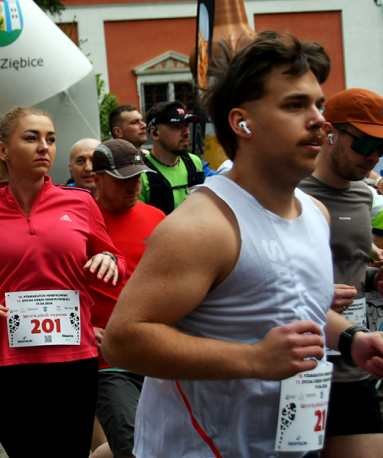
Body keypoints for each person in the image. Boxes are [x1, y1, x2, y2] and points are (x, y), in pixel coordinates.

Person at [103, 31, 383, 457]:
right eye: (295, 105)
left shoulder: (315, 213)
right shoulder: (203, 225)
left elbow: (292, 306)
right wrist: (254, 360)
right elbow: (124, 340)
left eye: (318, 105)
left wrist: (351, 340)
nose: (319, 120)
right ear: (242, 122)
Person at [0, 106, 125, 457]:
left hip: (73, 359)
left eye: (50, 139)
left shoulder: (80, 203)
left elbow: (116, 259)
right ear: (3, 150)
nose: (44, 147)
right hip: (8, 364)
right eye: (31, 138)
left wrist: (108, 260)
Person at [297, 88, 383, 457]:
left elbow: (352, 266)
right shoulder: (293, 192)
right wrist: (316, 296)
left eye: (382, 146)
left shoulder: (365, 195)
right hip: (302, 368)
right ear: (330, 132)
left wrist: (374, 279)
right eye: (363, 143)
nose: (373, 157)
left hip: (354, 364)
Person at [88, 139, 165, 458]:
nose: (134, 185)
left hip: (158, 354)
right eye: (123, 179)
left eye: (138, 176)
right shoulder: (78, 221)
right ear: (97, 179)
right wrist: (81, 330)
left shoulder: (157, 217)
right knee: (133, 447)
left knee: (163, 442)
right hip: (108, 361)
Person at [139, 101, 205, 214]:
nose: (187, 132)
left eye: (186, 126)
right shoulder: (141, 173)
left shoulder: (194, 161)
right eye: (177, 126)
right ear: (155, 133)